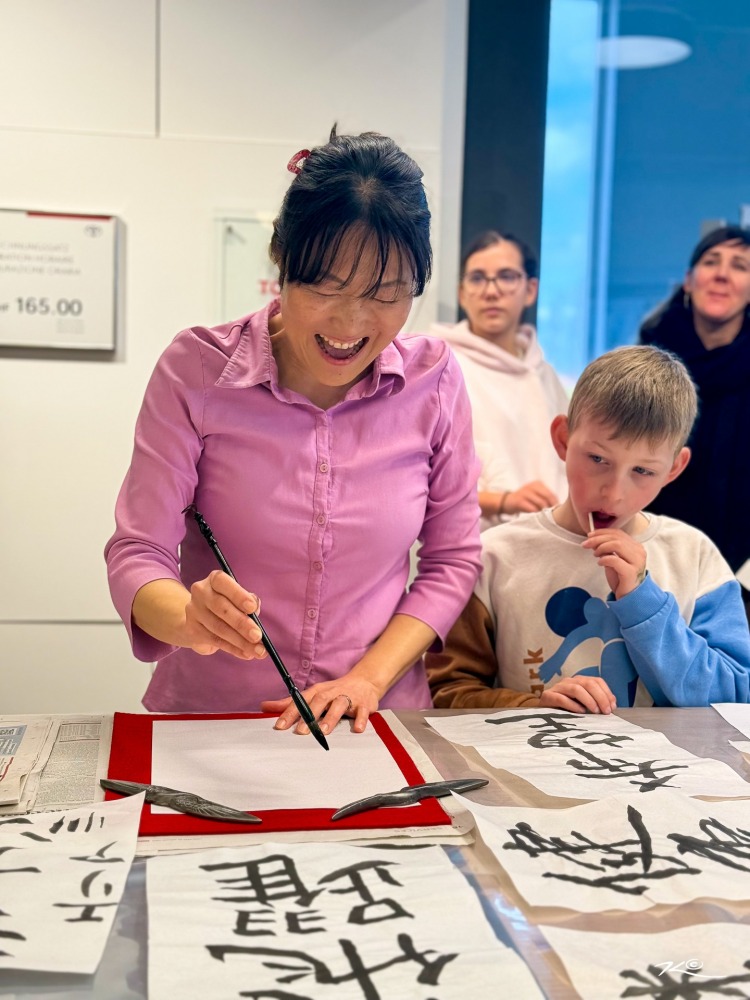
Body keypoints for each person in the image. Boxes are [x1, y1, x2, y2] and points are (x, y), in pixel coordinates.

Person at [105, 128, 482, 735]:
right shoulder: (198, 370)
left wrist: (368, 679)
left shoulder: (432, 381)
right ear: (281, 259)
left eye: (386, 295)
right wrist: (186, 616)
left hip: (374, 723)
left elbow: (452, 560)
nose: (351, 323)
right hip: (213, 722)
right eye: (326, 287)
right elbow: (138, 551)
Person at [426, 345, 750, 713]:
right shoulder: (493, 557)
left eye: (643, 471)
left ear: (674, 469)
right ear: (563, 439)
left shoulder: (695, 557)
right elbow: (447, 692)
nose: (613, 493)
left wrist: (642, 600)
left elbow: (735, 698)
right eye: (597, 459)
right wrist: (533, 706)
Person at [639, 225, 750, 616]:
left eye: (739, 266)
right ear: (688, 281)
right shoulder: (645, 362)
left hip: (743, 582)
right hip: (649, 570)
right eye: (711, 261)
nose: (722, 274)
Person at [430, 230, 568, 530]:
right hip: (479, 542)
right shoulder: (439, 367)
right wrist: (505, 501)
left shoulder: (544, 374)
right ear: (462, 293)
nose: (491, 291)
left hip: (550, 538)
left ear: (530, 290)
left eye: (506, 277)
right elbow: (418, 479)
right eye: (477, 278)